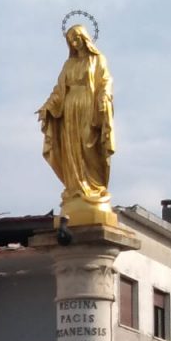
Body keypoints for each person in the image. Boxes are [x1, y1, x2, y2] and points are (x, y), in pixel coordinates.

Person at [36, 21, 116, 224]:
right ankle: (75, 189)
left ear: (85, 39)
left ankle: (93, 188)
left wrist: (104, 98)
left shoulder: (98, 60)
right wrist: (47, 106)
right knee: (72, 150)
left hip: (89, 107)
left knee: (88, 146)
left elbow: (106, 81)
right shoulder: (68, 65)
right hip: (70, 109)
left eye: (77, 38)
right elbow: (59, 90)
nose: (74, 43)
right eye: (71, 40)